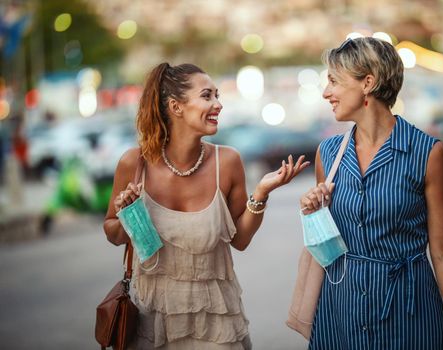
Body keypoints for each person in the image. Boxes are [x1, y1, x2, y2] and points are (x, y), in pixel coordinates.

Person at [103, 63, 308, 349]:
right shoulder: (133, 164)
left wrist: (261, 193)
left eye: (217, 96)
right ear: (176, 106)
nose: (218, 105)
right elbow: (112, 233)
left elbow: (240, 240)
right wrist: (129, 215)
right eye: (207, 96)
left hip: (216, 324)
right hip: (152, 322)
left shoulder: (227, 162)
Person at [299, 37, 443, 350]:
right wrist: (313, 211)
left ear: (368, 82)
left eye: (334, 82)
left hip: (411, 313)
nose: (326, 93)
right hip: (341, 313)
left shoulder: (428, 153)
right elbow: (325, 248)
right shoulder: (328, 153)